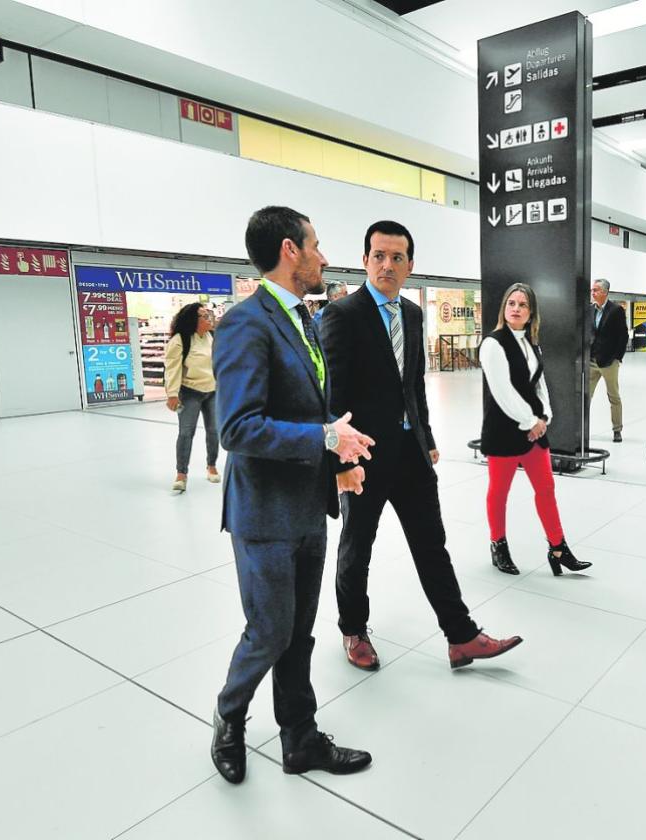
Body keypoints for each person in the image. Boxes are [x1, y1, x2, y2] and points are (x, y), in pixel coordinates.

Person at [210, 206, 376, 785]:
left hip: (308, 504)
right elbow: (237, 428)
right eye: (316, 245)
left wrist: (335, 464)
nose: (324, 256)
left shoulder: (303, 320)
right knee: (270, 630)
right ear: (290, 250)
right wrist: (325, 436)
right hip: (263, 512)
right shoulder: (243, 324)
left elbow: (309, 410)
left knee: (299, 631)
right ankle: (229, 716)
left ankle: (299, 739)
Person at [321, 220, 522, 672]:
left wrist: (427, 437)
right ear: (365, 260)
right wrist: (338, 460)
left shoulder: (412, 314)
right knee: (358, 546)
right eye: (378, 256)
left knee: (432, 544)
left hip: (410, 454)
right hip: (364, 456)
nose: (386, 265)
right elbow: (331, 397)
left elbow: (414, 384)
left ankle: (461, 636)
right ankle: (353, 629)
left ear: (410, 265)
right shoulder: (341, 315)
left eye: (396, 257)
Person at [480, 283, 592, 577]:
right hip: (505, 429)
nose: (516, 309)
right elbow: (502, 391)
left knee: (546, 489)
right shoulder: (493, 344)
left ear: (531, 314)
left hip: (535, 431)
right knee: (499, 492)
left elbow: (540, 385)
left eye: (522, 305)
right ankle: (498, 546)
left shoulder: (532, 344)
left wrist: (545, 417)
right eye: (511, 303)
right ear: (504, 308)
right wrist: (531, 421)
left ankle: (558, 549)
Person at [165, 302, 219, 492]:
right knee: (186, 432)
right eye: (204, 316)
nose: (209, 319)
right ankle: (181, 474)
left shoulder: (211, 337)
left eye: (209, 315)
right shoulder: (180, 340)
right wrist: (172, 394)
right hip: (190, 392)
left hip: (212, 391)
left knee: (214, 431)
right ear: (193, 320)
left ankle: (211, 466)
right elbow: (172, 369)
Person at [588, 278, 628, 443]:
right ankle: (581, 430)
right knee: (584, 396)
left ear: (605, 292)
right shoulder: (590, 310)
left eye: (596, 290)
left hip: (609, 362)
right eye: (592, 290)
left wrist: (617, 357)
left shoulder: (616, 310)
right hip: (591, 361)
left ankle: (617, 430)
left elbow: (623, 336)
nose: (593, 292)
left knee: (613, 396)